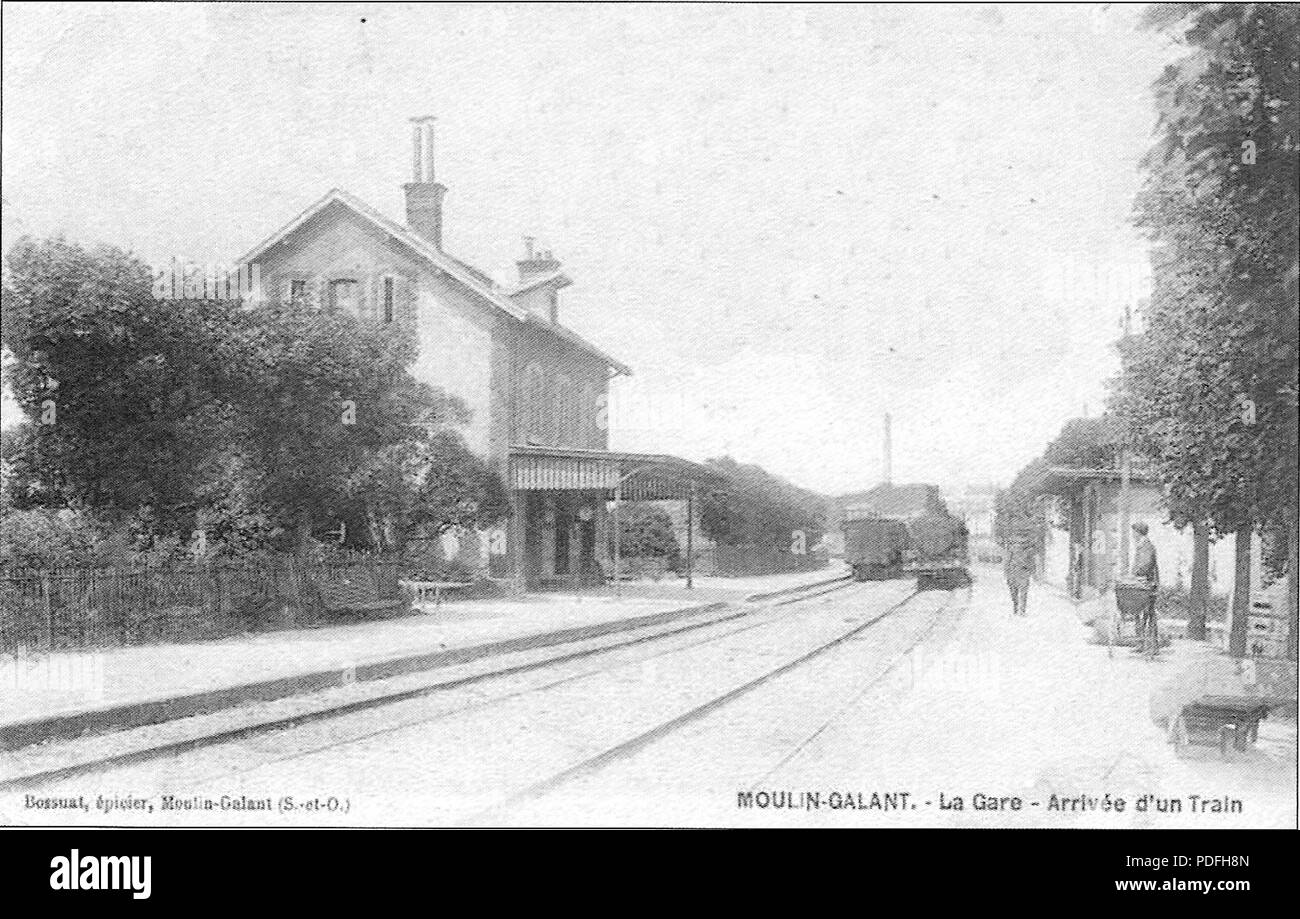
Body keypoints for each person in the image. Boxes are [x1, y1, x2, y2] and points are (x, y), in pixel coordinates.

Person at [1131, 522, 1160, 654]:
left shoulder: (1146, 546)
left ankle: (1151, 646)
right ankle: (1141, 643)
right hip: (1143, 583)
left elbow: (1146, 564)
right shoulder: (1142, 545)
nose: (1132, 535)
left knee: (1148, 614)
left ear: (1138, 532)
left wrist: (1136, 573)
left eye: (1134, 532)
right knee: (1141, 612)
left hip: (1148, 584)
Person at [1004, 538, 1034, 617]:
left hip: (1018, 573)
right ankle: (1018, 609)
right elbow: (1007, 561)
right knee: (1019, 593)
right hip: (1018, 573)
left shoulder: (1028, 551)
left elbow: (1031, 562)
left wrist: (1007, 573)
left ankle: (1019, 610)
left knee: (1017, 593)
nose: (1020, 545)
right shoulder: (1012, 550)